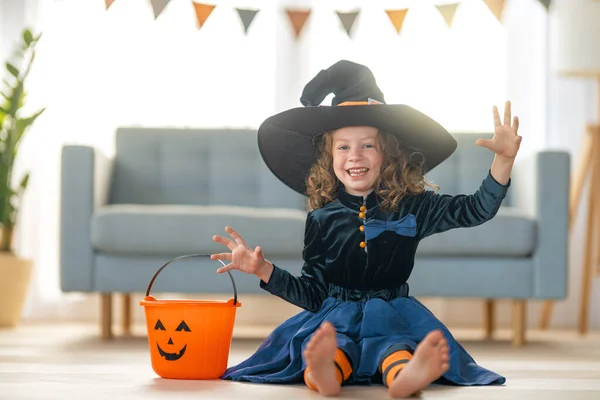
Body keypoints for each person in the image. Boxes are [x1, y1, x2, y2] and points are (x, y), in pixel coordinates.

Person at [211, 60, 521, 398]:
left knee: (394, 344)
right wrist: (263, 269)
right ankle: (325, 374)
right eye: (343, 146)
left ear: (389, 153)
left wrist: (502, 161)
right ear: (328, 157)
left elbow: (475, 209)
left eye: (367, 145)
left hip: (391, 311)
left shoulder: (416, 205)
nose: (354, 156)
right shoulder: (320, 218)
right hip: (335, 315)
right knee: (332, 344)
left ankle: (405, 376)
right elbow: (314, 293)